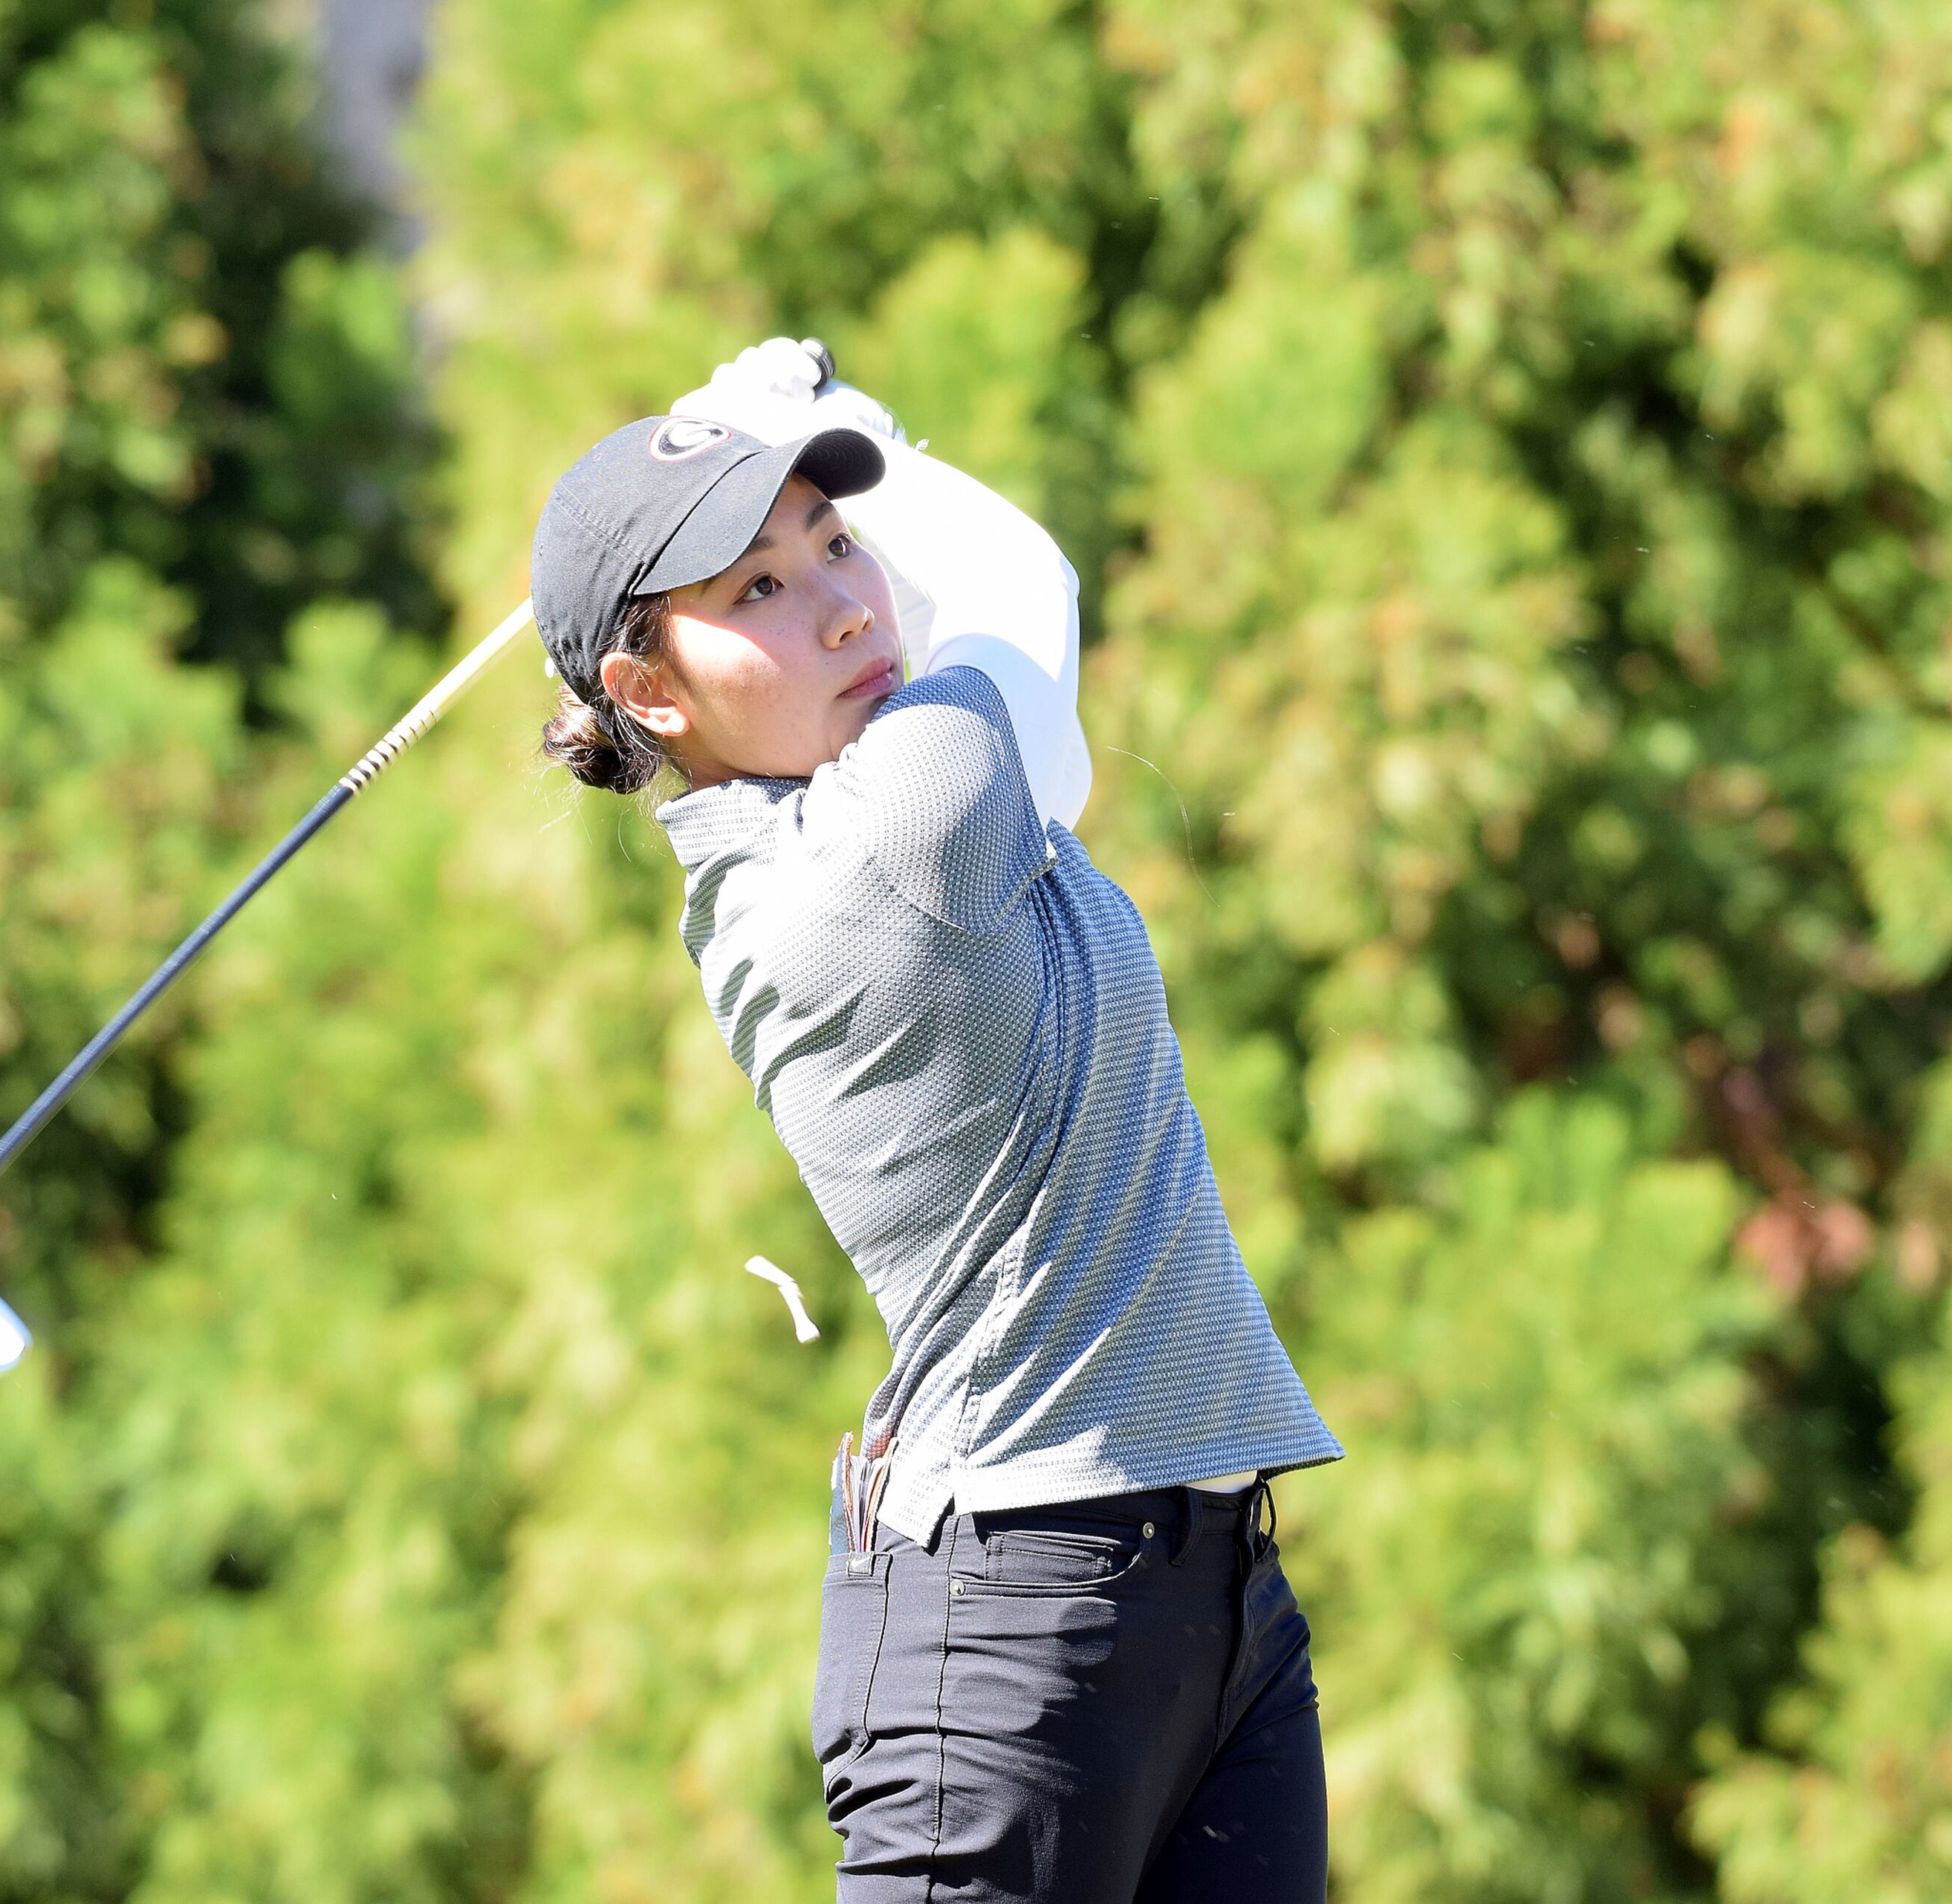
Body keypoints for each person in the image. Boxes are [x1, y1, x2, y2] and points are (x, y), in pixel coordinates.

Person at [528, 340, 1344, 1903]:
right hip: (1015, 1635)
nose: (842, 601)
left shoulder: (912, 795)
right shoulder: (892, 829)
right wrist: (833, 422)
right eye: (756, 589)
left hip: (1213, 1606)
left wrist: (792, 447)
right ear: (643, 692)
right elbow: (1023, 583)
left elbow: (1006, 676)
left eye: (835, 542)